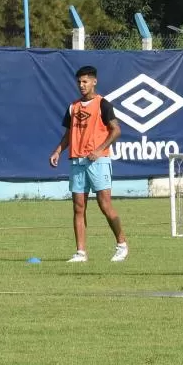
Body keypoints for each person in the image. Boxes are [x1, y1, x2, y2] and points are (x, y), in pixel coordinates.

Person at [49, 65, 129, 263]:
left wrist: (100, 149)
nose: (82, 85)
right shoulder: (73, 107)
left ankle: (122, 244)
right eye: (79, 82)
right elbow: (69, 133)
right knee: (78, 207)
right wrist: (58, 150)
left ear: (94, 82)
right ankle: (80, 252)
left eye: (85, 81)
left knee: (105, 204)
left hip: (98, 161)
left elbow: (116, 130)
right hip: (77, 161)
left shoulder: (103, 104)